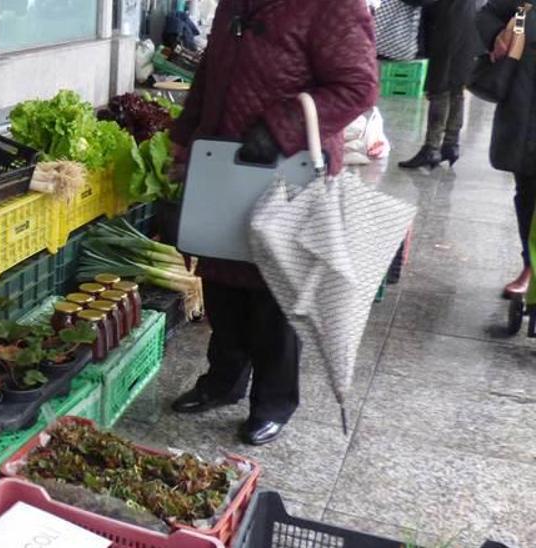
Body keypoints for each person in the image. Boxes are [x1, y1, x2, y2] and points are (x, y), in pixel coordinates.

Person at [170, 0, 380, 445]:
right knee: (222, 284)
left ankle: (273, 401)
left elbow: (357, 86)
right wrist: (185, 134)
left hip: (288, 169)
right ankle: (223, 381)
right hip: (224, 164)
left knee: (274, 295)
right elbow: (211, 70)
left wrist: (280, 126)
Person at [478, 1, 536, 298]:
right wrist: (500, 34)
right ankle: (531, 266)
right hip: (525, 100)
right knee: (527, 188)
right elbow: (488, 12)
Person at [399, 0, 482, 169]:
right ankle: (451, 144)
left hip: (449, 26)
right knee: (456, 88)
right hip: (469, 23)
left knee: (440, 87)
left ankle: (432, 147)